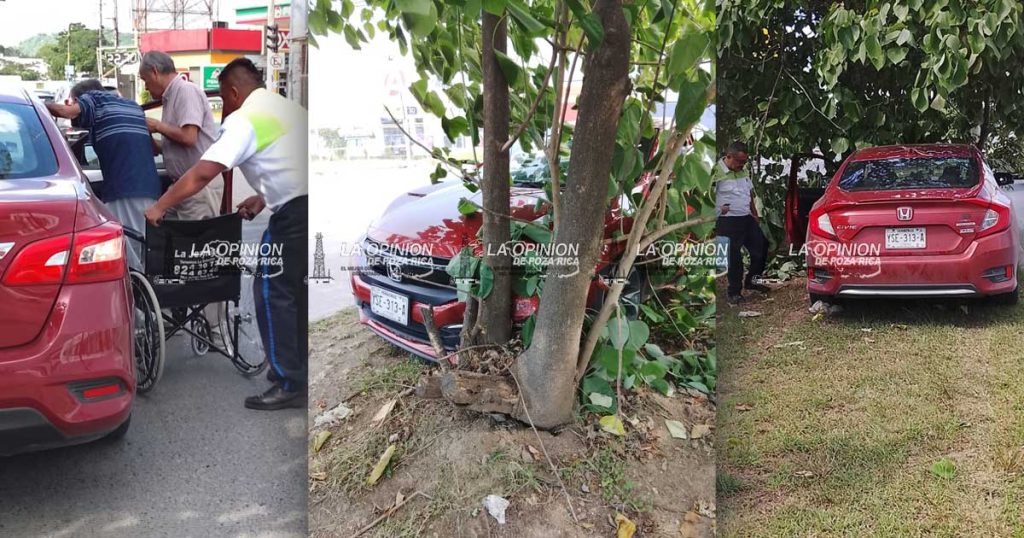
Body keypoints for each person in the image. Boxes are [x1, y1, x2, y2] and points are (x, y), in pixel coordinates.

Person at [145, 58, 308, 411]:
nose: (222, 108)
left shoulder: (245, 118)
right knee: (293, 291)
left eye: (222, 99)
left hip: (294, 215)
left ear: (234, 92)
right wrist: (264, 197)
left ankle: (290, 381)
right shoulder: (285, 108)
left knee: (271, 291)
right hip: (304, 205)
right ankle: (296, 369)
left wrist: (160, 206)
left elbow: (202, 173)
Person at [46, 79, 161, 268]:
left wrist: (36, 103)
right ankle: (146, 292)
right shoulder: (132, 106)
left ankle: (134, 293)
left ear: (77, 100)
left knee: (127, 253)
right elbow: (154, 148)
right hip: (150, 188)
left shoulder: (93, 100)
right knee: (143, 248)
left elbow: (64, 112)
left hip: (124, 187)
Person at [138, 50, 224, 219]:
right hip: (181, 187)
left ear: (155, 72)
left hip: (199, 187)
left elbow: (188, 137)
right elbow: (173, 147)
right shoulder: (169, 97)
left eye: (145, 80)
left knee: (195, 243)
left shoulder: (186, 91)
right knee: (170, 233)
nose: (146, 87)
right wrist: (147, 134)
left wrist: (157, 126)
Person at [714, 141, 769, 304]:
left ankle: (752, 281)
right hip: (727, 222)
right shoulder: (715, 172)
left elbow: (749, 193)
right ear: (728, 157)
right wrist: (717, 210)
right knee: (734, 257)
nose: (742, 165)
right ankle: (734, 292)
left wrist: (754, 213)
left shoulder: (743, 170)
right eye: (739, 161)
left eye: (744, 161)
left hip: (746, 218)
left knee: (761, 246)